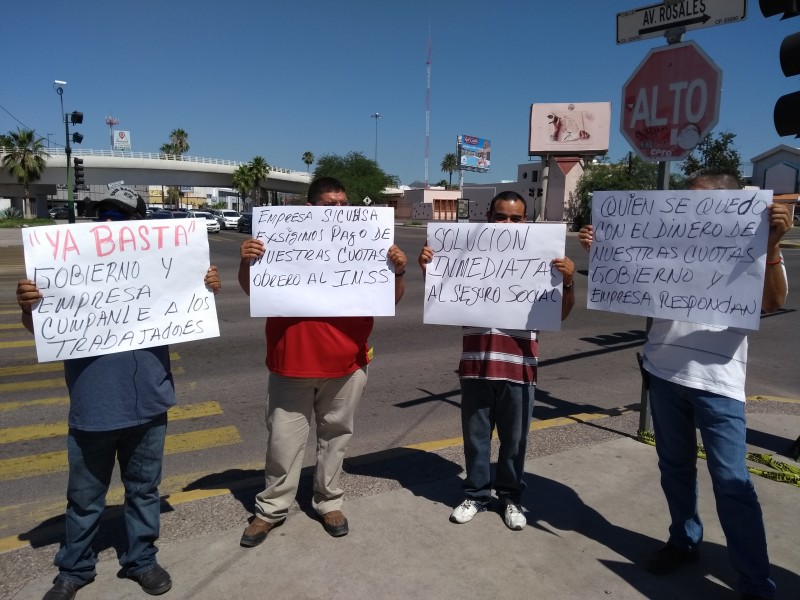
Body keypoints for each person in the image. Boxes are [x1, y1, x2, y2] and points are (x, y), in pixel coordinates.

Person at [578, 169, 791, 600]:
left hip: (718, 382)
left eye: (699, 201)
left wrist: (771, 246)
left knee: (732, 481)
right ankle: (684, 540)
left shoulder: (753, 243)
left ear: (728, 204)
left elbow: (772, 302)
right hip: (662, 371)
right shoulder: (668, 236)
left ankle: (755, 580)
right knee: (674, 468)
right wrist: (604, 250)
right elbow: (632, 281)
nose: (687, 208)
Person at [16, 186, 222, 600]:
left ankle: (141, 561)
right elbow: (43, 330)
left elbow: (186, 310)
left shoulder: (161, 265)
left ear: (138, 224)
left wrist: (204, 287)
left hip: (150, 403)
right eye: (102, 214)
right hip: (93, 408)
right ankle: (74, 569)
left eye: (120, 215)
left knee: (144, 490)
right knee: (84, 497)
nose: (109, 222)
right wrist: (29, 306)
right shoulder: (66, 264)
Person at [238, 176, 407, 546]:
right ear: (311, 209)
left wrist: (398, 269)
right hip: (290, 362)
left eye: (344, 205)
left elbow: (389, 300)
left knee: (336, 439)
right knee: (283, 442)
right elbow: (255, 291)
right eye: (331, 205)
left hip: (347, 363)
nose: (340, 212)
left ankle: (328, 501)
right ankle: (271, 509)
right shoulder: (281, 239)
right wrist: (248, 261)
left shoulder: (368, 241)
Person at [418, 191, 575, 530]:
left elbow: (559, 312)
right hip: (475, 365)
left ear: (526, 222)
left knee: (515, 441)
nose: (508, 224)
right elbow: (444, 295)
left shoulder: (542, 259)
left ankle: (511, 497)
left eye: (516, 219)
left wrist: (569, 281)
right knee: (475, 439)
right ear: (488, 217)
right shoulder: (466, 252)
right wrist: (432, 267)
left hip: (519, 368)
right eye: (501, 217)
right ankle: (475, 493)